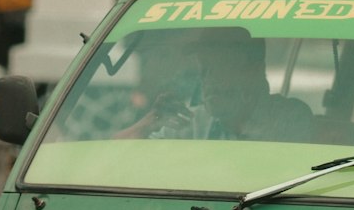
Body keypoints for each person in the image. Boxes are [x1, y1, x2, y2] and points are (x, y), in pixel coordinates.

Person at [118, 28, 312, 142]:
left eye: (217, 68)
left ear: (253, 70)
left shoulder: (289, 118)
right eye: (203, 70)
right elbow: (112, 158)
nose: (206, 80)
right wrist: (149, 123)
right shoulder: (193, 121)